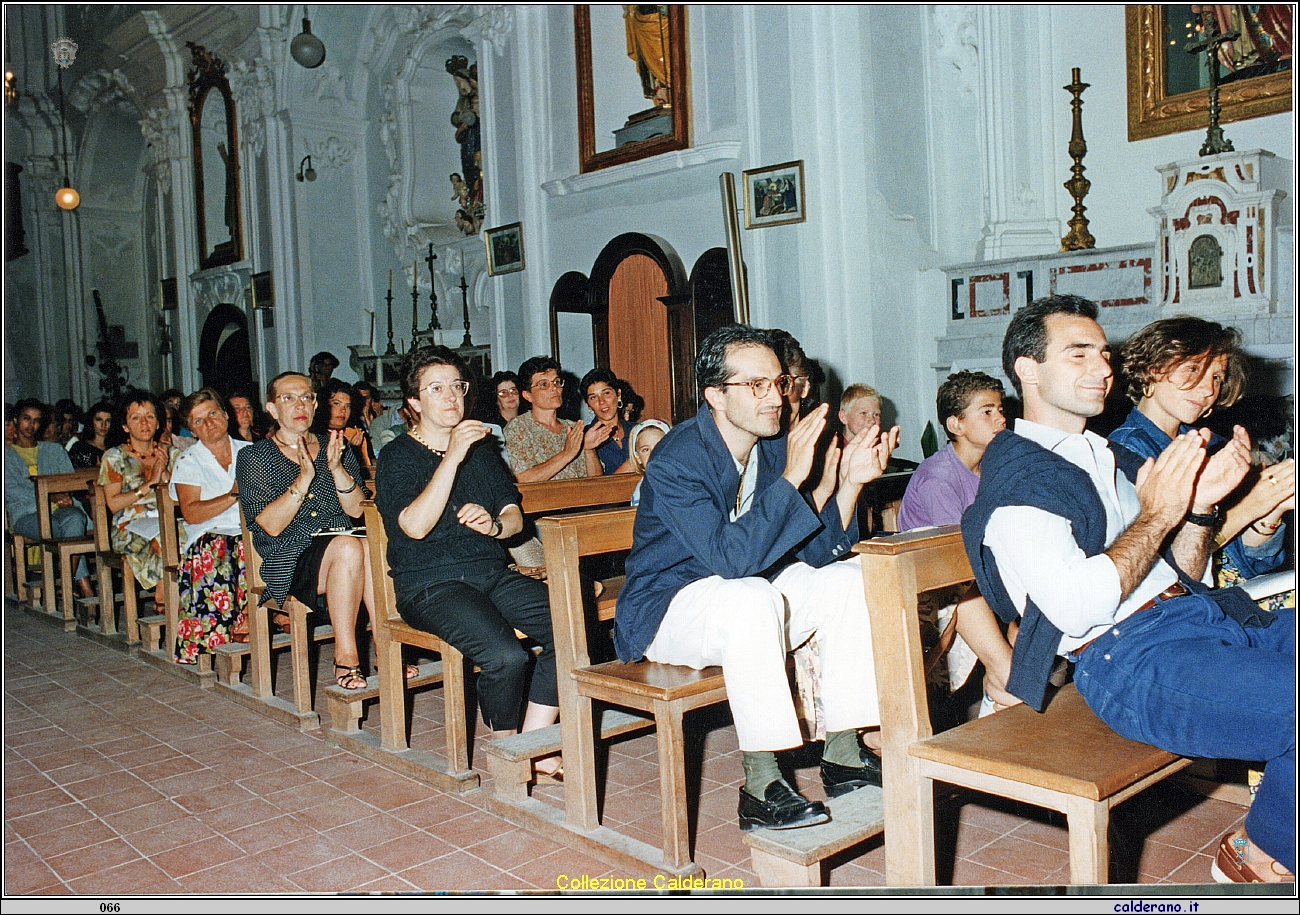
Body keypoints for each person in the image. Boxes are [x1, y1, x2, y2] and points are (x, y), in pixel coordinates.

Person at [961, 294, 1294, 883]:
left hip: (1200, 623)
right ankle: (1261, 853)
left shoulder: (1105, 453)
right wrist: (1160, 513)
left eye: (1104, 354)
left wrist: (1200, 509)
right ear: (1027, 369)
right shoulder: (1019, 480)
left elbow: (1184, 572)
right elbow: (1075, 610)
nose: (1103, 368)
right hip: (1130, 663)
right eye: (1078, 354)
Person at [615, 325, 900, 832]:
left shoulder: (769, 448)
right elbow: (729, 560)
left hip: (746, 601)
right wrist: (793, 477)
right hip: (668, 609)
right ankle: (761, 784)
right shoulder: (677, 457)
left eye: (779, 383)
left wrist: (851, 484)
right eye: (756, 385)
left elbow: (814, 555)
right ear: (715, 396)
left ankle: (844, 753)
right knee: (748, 596)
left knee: (852, 579)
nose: (776, 398)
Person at [376, 345, 561, 778]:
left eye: (456, 386)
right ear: (414, 401)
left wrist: (494, 526)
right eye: (436, 389)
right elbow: (414, 526)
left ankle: (531, 746)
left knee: (570, 627)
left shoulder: (481, 450)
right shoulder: (397, 456)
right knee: (505, 657)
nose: (450, 397)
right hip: (429, 584)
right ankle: (507, 752)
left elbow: (514, 516)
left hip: (490, 572)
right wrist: (452, 456)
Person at [1110, 317, 1293, 600]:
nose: (1209, 389)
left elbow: (1252, 564)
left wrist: (1271, 510)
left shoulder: (1212, 444)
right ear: (1152, 369)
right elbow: (1164, 571)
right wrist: (1249, 507)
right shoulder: (1125, 452)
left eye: (1217, 377)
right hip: (1185, 607)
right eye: (1193, 369)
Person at [236, 372, 382, 691]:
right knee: (351, 547)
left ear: (316, 404)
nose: (300, 405)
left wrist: (337, 469)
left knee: (370, 546)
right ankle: (346, 656)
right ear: (272, 409)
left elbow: (356, 510)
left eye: (306, 397)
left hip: (345, 546)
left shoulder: (335, 446)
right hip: (290, 555)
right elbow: (271, 525)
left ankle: (385, 648)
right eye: (288, 398)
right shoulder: (254, 456)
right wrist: (303, 480)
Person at [897, 371, 1018, 714]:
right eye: (987, 412)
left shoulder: (991, 467)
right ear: (956, 425)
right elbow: (955, 557)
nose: (1000, 418)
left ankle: (999, 689)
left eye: (1000, 410)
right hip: (935, 580)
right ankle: (1003, 675)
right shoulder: (940, 478)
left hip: (975, 571)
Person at [170, 389, 250, 663]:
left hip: (251, 530)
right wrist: (233, 494)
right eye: (199, 421)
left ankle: (262, 615)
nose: (209, 423)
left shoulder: (250, 452)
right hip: (209, 537)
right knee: (231, 546)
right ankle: (237, 624)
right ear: (192, 430)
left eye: (213, 414)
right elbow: (191, 513)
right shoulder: (188, 461)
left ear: (226, 414)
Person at [5, 398, 93, 597]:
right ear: (16, 420)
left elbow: (68, 480)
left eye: (36, 420)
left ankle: (66, 583)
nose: (31, 425)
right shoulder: (6, 455)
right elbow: (11, 491)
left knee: (76, 518)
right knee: (69, 531)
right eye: (26, 418)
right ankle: (82, 586)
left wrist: (65, 496)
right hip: (26, 514)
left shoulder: (54, 450)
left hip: (61, 509)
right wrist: (50, 496)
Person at [99, 391, 182, 602]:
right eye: (136, 418)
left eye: (150, 416)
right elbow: (113, 504)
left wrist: (164, 472)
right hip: (129, 527)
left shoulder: (172, 454)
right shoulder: (114, 457)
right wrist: (149, 484)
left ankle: (180, 598)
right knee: (167, 537)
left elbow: (183, 498)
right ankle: (164, 597)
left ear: (158, 423)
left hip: (168, 520)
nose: (144, 423)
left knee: (192, 535)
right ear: (125, 426)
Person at [504, 357, 603, 482]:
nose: (554, 388)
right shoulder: (518, 428)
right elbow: (522, 480)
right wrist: (567, 454)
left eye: (556, 382)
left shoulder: (573, 427)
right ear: (527, 395)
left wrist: (589, 450)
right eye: (544, 385)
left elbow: (597, 482)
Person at [313, 379, 376, 471]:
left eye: (348, 406)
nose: (343, 410)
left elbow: (366, 472)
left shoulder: (355, 434)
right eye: (336, 404)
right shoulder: (312, 436)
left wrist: (354, 449)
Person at [580, 368, 633, 475]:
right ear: (588, 405)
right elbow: (594, 483)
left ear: (618, 394)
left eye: (606, 393)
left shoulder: (637, 430)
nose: (602, 402)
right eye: (593, 397)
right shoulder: (583, 438)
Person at [622, 418, 670, 505]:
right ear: (638, 457)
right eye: (646, 449)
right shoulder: (643, 492)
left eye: (659, 446)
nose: (653, 454)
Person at [68, 401, 114, 471]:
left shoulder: (118, 448)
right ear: (91, 421)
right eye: (99, 420)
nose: (103, 425)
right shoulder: (80, 449)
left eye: (108, 421)